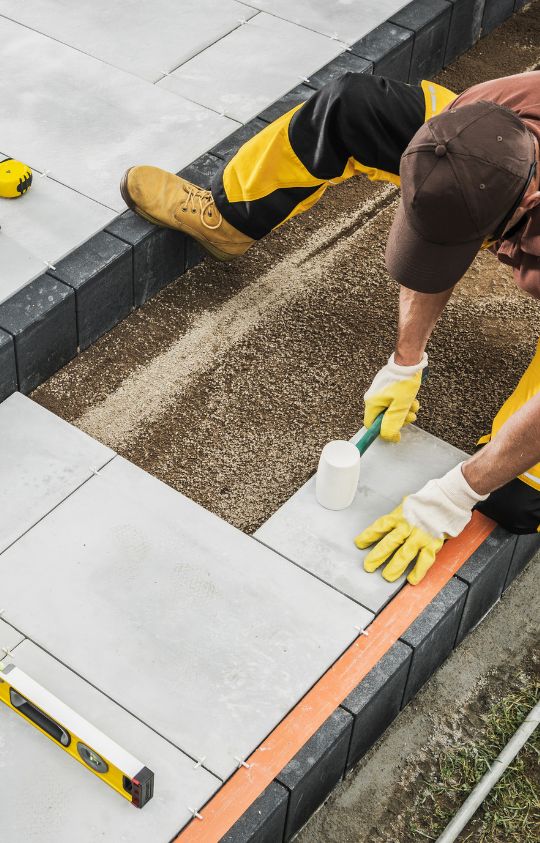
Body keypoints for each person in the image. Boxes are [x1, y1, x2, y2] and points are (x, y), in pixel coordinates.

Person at [121, 71, 540, 585]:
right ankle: (231, 218)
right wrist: (407, 359)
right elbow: (441, 215)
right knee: (351, 107)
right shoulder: (480, 122)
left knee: (516, 494)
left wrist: (457, 493)